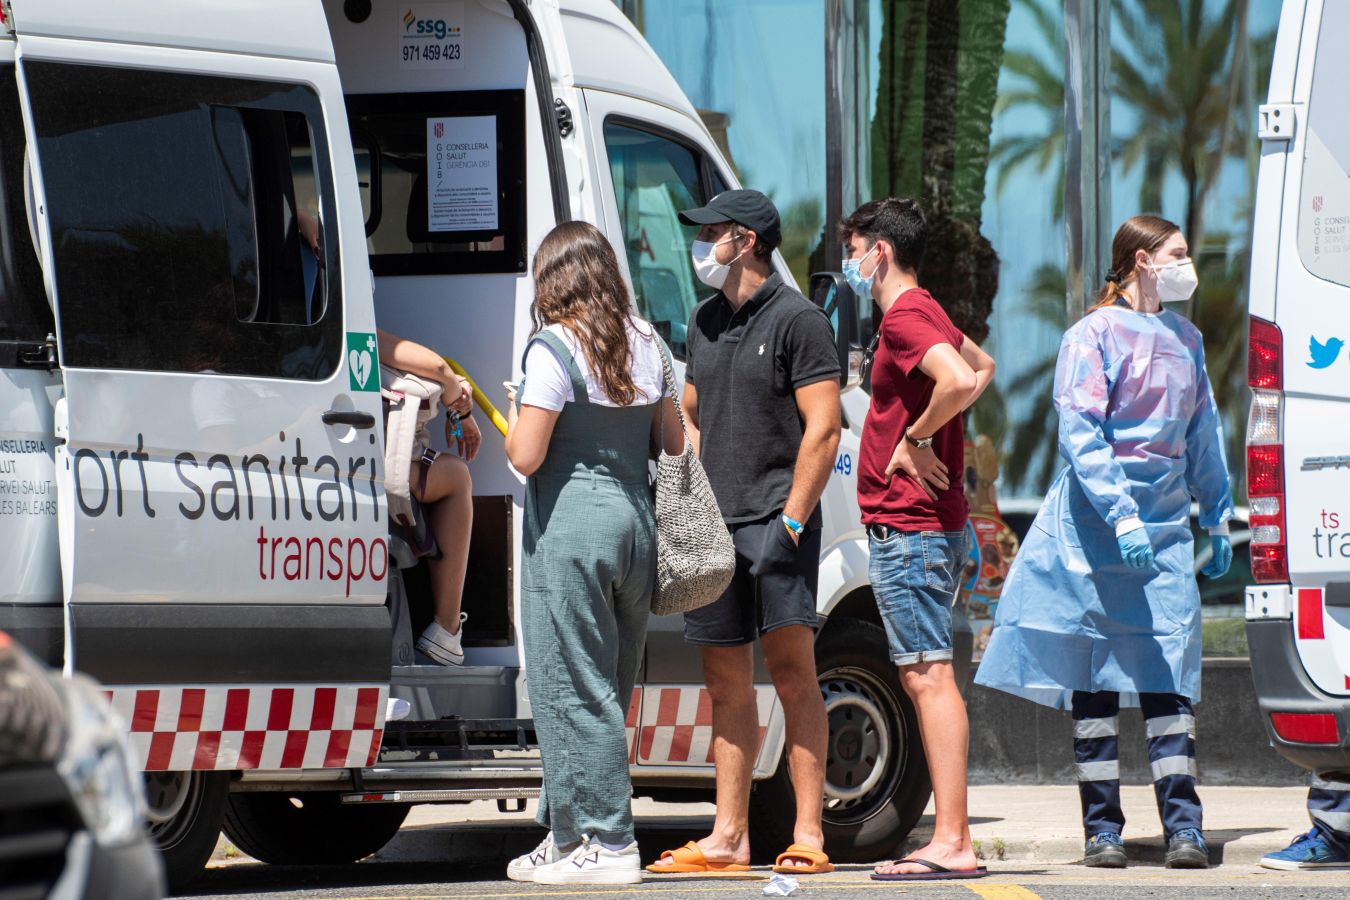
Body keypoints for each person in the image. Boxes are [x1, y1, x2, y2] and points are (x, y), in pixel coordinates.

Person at [975, 214, 1234, 870]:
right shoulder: (1090, 336)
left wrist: (1218, 513)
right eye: (1176, 254)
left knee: (1168, 677)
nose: (1186, 264)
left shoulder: (1187, 340)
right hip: (1098, 532)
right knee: (1093, 680)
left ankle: (1184, 826)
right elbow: (1082, 434)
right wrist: (1120, 514)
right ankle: (1103, 831)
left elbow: (1203, 432)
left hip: (1168, 534)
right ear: (1142, 261)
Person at [647, 189, 841, 876]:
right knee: (724, 684)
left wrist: (791, 518)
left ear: (748, 240)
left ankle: (809, 835)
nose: (703, 245)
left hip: (775, 526)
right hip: (714, 531)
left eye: (714, 233)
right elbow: (691, 412)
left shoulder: (800, 320)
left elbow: (825, 426)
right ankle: (728, 839)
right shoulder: (704, 320)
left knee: (793, 678)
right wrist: (688, 496)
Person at [503, 221, 684, 885]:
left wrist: (519, 406)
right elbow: (671, 440)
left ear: (553, 281)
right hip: (637, 530)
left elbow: (525, 454)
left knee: (571, 686)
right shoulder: (647, 342)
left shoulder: (552, 349)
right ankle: (566, 832)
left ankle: (609, 843)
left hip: (573, 533)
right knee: (606, 685)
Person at [840, 198, 995, 882]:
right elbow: (981, 368)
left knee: (928, 676)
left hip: (913, 526)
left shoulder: (905, 315)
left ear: (880, 250)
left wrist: (917, 437)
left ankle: (952, 840)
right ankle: (952, 837)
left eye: (852, 248)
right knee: (926, 672)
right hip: (930, 525)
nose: (847, 262)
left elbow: (963, 379)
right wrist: (929, 431)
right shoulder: (926, 309)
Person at [376, 329, 480, 666]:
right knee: (457, 476)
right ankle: (446, 628)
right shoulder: (353, 320)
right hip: (377, 470)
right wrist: (460, 406)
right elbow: (437, 368)